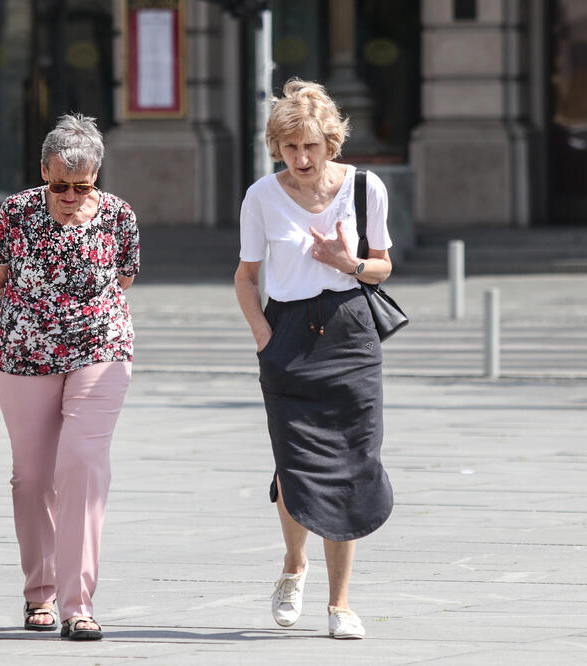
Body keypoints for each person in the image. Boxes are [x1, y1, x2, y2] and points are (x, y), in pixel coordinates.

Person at [233, 79, 394, 640]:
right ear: (277, 146)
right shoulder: (261, 196)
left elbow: (382, 268)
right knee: (295, 463)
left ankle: (341, 603)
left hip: (351, 333)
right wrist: (263, 337)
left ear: (331, 143)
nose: (300, 159)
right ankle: (294, 564)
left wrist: (347, 263)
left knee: (350, 460)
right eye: (289, 148)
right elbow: (247, 277)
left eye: (311, 147)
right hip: (289, 334)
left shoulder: (365, 188)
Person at [0, 113, 139, 641]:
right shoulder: (16, 212)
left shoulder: (118, 216)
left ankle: (78, 604)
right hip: (22, 355)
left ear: (98, 177)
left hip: (101, 350)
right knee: (32, 478)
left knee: (82, 465)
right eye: (59, 184)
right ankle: (38, 593)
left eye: (82, 185)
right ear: (42, 169)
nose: (69, 195)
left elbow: (125, 278)